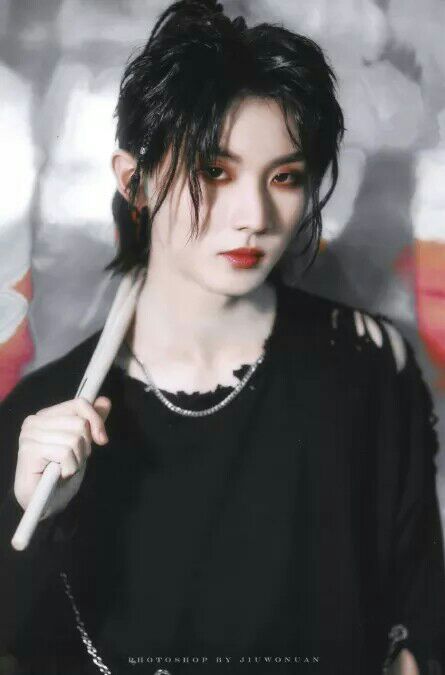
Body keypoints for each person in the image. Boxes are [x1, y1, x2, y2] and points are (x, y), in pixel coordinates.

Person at [0, 1, 444, 674]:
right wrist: (43, 514)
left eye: (285, 177)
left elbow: (418, 623)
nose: (255, 215)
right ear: (134, 181)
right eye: (214, 171)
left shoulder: (367, 365)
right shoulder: (43, 420)